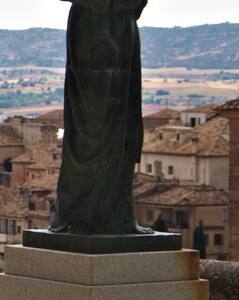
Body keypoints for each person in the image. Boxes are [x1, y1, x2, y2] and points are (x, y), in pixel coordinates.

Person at [51, 0, 152, 235]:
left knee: (123, 125)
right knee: (89, 126)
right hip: (91, 26)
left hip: (123, 26)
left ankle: (119, 217)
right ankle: (76, 215)